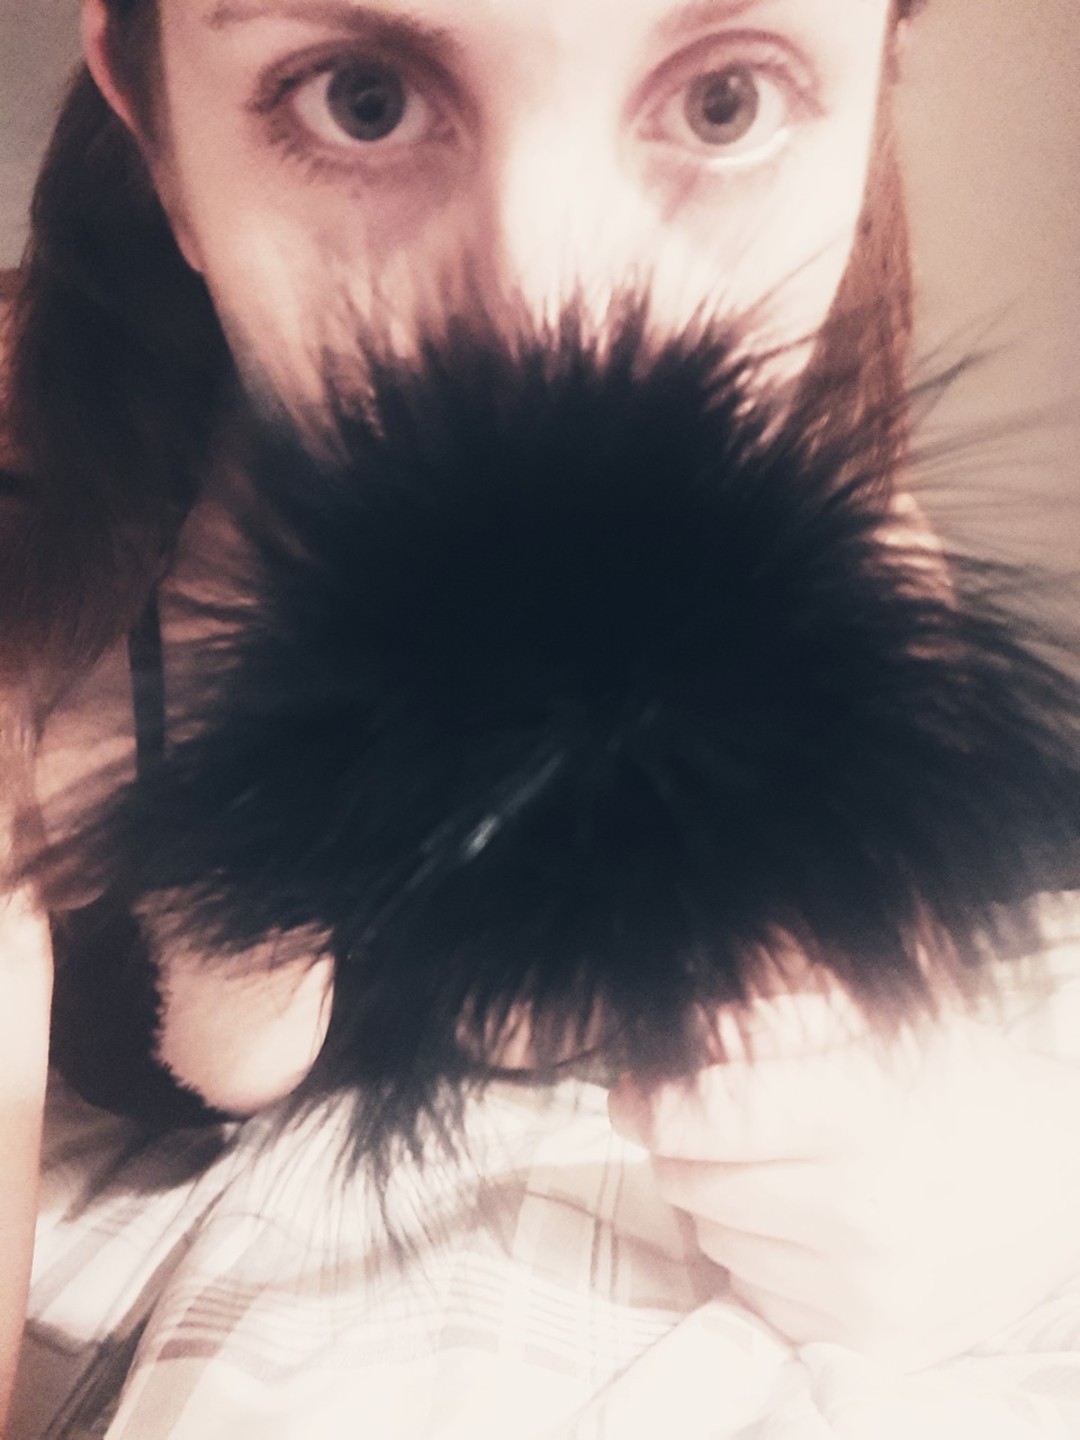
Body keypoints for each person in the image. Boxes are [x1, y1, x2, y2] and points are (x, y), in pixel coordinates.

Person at [1, 0, 1079, 1424]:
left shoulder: (848, 561)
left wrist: (940, 1195)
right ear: (155, 126)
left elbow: (891, 1043)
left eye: (725, 102)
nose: (539, 319)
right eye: (362, 98)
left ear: (876, 82)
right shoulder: (41, 554)